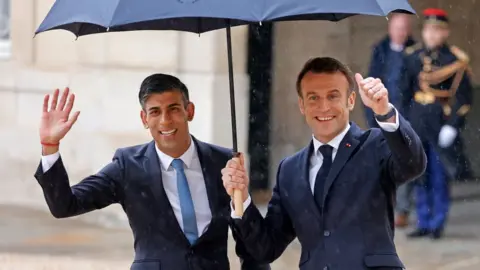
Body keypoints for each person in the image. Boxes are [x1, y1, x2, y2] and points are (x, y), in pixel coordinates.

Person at [34, 74, 270, 270]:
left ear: (190, 111)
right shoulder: (128, 166)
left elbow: (253, 247)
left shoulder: (224, 162)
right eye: (155, 112)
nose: (165, 121)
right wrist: (50, 146)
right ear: (144, 119)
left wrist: (244, 199)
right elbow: (65, 205)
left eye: (174, 109)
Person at [222, 57, 426, 269]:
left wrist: (385, 112)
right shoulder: (289, 170)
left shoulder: (375, 145)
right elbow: (266, 248)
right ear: (302, 105)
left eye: (333, 96)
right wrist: (242, 198)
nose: (324, 107)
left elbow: (413, 164)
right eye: (313, 98)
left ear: (351, 100)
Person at [400, 8, 474, 239]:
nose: (432, 35)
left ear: (445, 32)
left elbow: (463, 97)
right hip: (416, 121)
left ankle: (437, 222)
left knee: (439, 176)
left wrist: (453, 125)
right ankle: (423, 220)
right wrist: (400, 121)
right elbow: (404, 92)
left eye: (437, 30)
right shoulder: (412, 56)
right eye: (429, 30)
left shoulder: (454, 60)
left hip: (440, 122)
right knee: (419, 174)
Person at [364, 12, 416, 228]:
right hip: (381, 114)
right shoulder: (380, 50)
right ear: (390, 29)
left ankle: (401, 210)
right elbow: (371, 81)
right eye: (397, 28)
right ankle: (381, 208)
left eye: (404, 28)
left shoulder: (416, 51)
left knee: (404, 163)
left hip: (406, 117)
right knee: (380, 164)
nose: (401, 32)